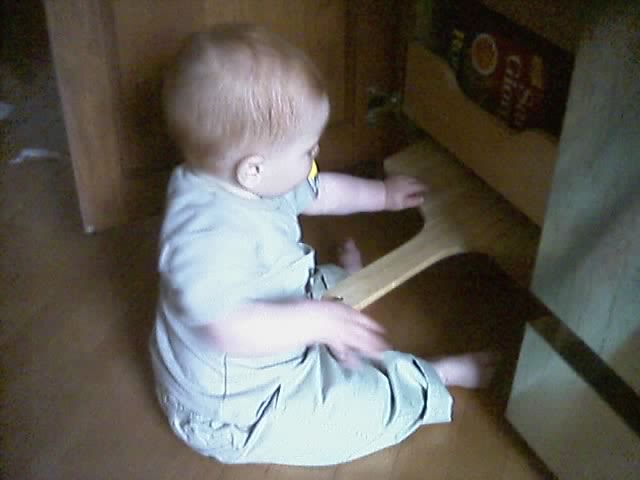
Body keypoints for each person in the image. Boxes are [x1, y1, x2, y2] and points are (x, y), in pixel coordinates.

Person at [150, 23, 497, 466]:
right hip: (239, 409)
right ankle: (434, 378)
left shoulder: (240, 175)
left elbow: (319, 191)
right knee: (361, 412)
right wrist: (314, 322)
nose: (315, 158)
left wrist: (384, 195)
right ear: (253, 169)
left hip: (265, 332)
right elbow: (225, 327)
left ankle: (335, 303)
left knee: (325, 290)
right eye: (308, 151)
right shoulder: (206, 235)